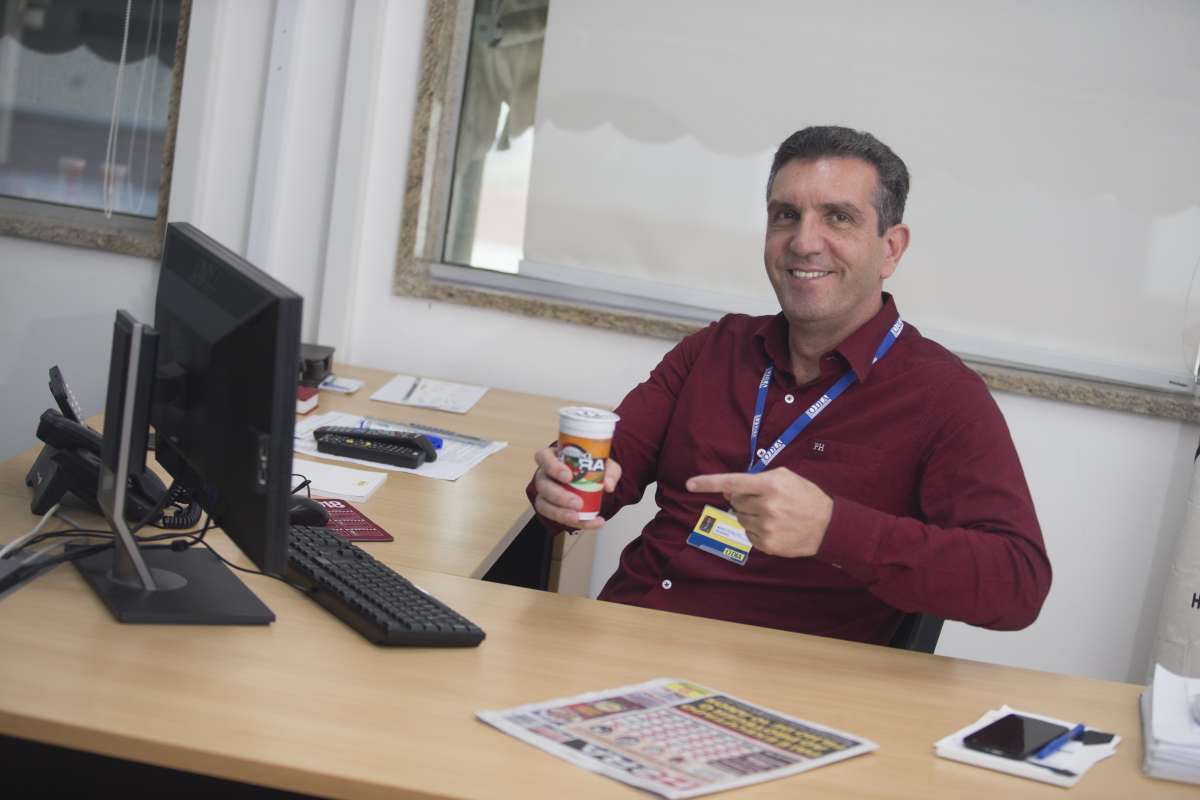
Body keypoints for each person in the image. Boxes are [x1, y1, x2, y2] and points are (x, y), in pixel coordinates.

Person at [527, 125, 1051, 645]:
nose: (803, 243)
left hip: (770, 691)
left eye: (838, 218)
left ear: (891, 249)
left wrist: (832, 529)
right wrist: (559, 487)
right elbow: (606, 464)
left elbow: (1018, 583)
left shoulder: (944, 397)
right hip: (625, 635)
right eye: (786, 216)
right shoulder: (715, 349)